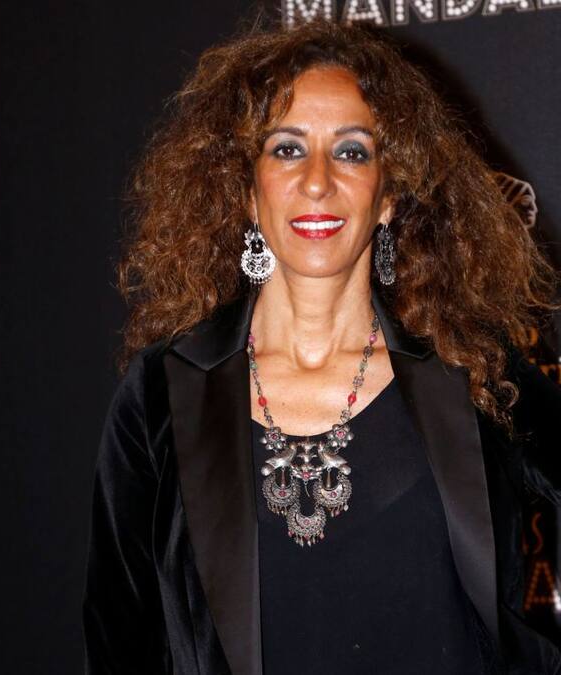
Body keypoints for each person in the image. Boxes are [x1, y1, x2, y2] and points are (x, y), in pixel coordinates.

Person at [84, 19, 561, 675]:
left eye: (352, 152)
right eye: (287, 149)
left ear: (388, 195)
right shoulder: (161, 394)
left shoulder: (472, 370)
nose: (317, 180)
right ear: (247, 192)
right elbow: (119, 643)